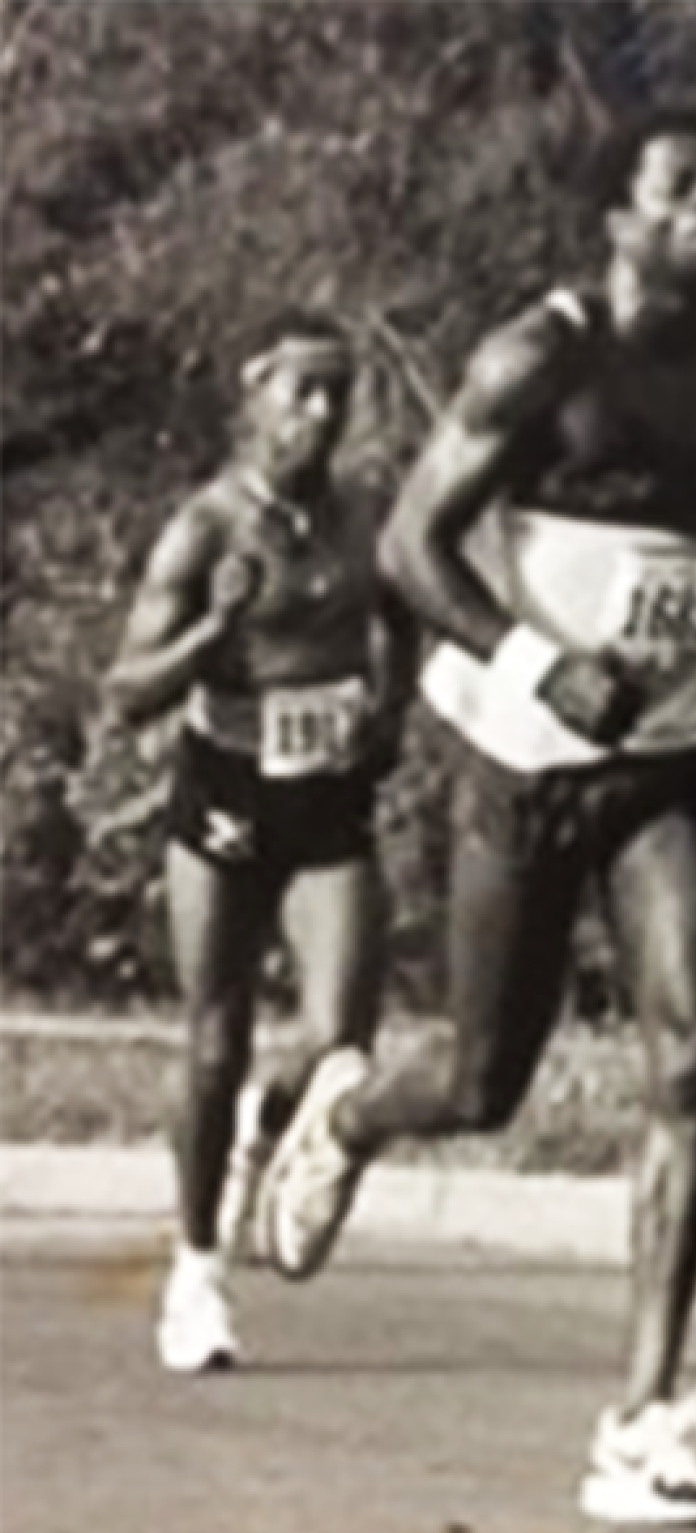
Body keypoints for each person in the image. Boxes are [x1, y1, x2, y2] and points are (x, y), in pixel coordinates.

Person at [260, 109, 696, 1525]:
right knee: (481, 1078)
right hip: (517, 754)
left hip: (669, 768)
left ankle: (638, 1416)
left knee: (692, 1064)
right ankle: (356, 1106)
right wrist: (541, 659)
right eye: (682, 188)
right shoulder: (539, 359)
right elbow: (410, 547)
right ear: (616, 219)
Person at [103, 309, 418, 1375]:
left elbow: (403, 611)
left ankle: (262, 1125)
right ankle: (197, 1272)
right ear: (256, 399)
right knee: (213, 1035)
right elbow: (126, 691)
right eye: (304, 392)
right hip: (227, 792)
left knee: (339, 1043)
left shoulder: (364, 514)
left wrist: (391, 712)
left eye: (341, 392)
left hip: (327, 793)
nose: (324, 414)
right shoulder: (203, 528)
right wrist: (210, 634)